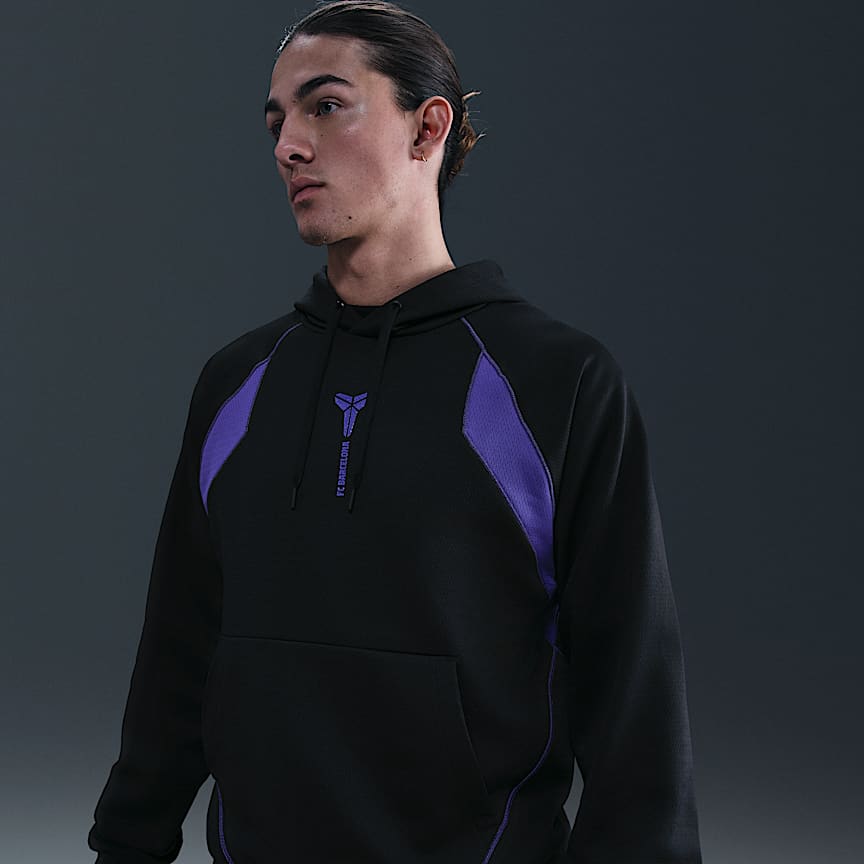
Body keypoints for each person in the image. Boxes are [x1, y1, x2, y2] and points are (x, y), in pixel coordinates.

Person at [87, 2, 704, 862]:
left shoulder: (556, 381)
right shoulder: (238, 382)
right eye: (276, 122)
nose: (289, 145)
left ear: (428, 128)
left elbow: (632, 685)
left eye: (325, 106)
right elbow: (177, 651)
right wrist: (127, 844)